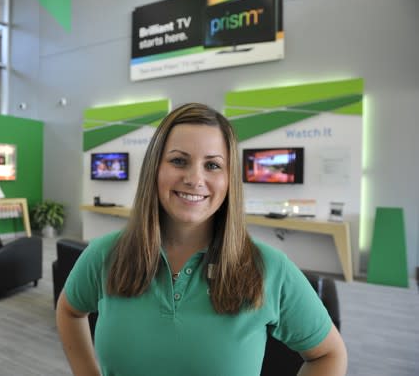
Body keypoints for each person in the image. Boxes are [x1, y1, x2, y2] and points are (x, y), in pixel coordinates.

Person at [56, 103, 347, 375]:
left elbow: (329, 354)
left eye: (212, 165)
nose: (195, 179)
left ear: (229, 178)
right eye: (179, 161)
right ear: (155, 168)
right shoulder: (105, 254)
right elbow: (69, 310)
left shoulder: (270, 268)